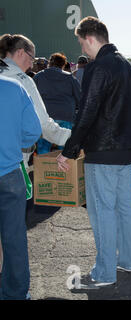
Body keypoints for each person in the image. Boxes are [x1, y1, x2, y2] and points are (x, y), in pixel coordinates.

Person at [56, 16, 131, 289]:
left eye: (82, 42)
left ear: (90, 38)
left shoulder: (99, 67)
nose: (82, 49)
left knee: (103, 210)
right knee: (125, 206)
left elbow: (87, 111)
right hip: (126, 150)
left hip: (104, 150)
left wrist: (68, 151)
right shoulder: (127, 66)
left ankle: (104, 273)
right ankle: (129, 260)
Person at [0, 34, 72, 166]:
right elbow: (41, 124)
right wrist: (71, 137)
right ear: (21, 52)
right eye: (31, 58)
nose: (31, 65)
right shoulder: (23, 81)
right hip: (12, 160)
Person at [0, 75, 42, 300]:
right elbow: (33, 131)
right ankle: (15, 293)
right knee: (14, 237)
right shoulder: (14, 86)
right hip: (8, 170)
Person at [33, 52, 81, 154]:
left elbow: (31, 96)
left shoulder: (38, 76)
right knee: (64, 147)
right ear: (63, 64)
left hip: (45, 116)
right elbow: (79, 97)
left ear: (49, 63)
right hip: (66, 115)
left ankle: (44, 167)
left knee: (43, 148)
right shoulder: (70, 78)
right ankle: (63, 168)